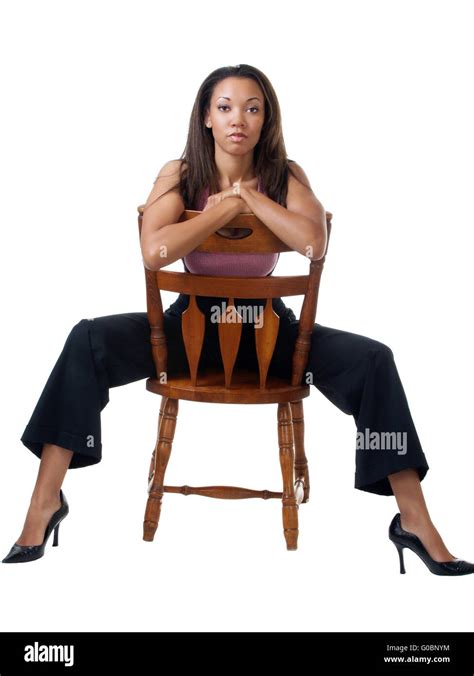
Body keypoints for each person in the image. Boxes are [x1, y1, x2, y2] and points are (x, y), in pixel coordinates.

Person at [3, 64, 473, 575]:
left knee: (374, 360)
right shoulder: (179, 174)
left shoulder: (283, 176)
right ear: (206, 116)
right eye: (225, 107)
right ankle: (44, 503)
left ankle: (414, 520)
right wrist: (218, 212)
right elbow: (153, 250)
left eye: (252, 108)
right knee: (86, 339)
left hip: (272, 339)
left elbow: (314, 241)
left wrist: (248, 197)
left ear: (265, 117)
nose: (238, 120)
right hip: (189, 334)